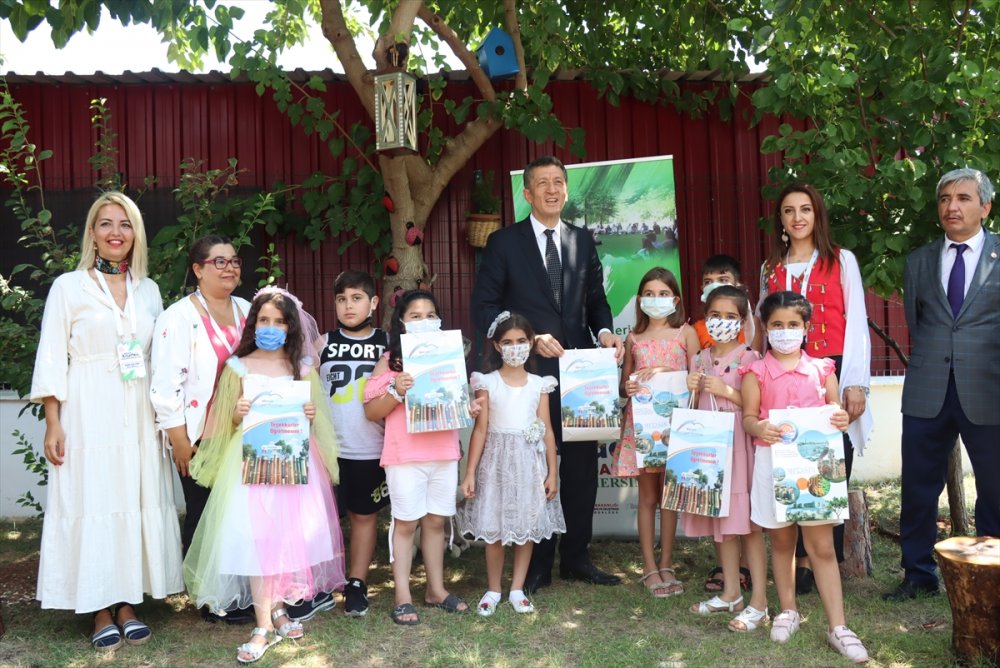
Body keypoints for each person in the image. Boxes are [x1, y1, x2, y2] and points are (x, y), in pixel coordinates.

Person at [30, 192, 183, 651]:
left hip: (137, 412)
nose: (115, 232)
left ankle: (127, 602)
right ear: (92, 234)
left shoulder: (149, 289)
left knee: (132, 497)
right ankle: (99, 606)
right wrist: (53, 422)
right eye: (105, 224)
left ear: (135, 234)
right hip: (87, 408)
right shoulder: (68, 287)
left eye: (125, 223)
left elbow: (163, 356)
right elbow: (52, 358)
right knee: (93, 498)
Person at [471, 155, 624, 596]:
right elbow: (483, 307)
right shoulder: (504, 243)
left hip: (580, 377)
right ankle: (536, 562)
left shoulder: (581, 240)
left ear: (566, 189)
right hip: (526, 374)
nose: (553, 190)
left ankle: (577, 556)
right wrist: (528, 338)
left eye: (559, 182)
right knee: (533, 463)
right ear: (527, 193)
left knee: (580, 468)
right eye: (543, 183)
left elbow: (596, 301)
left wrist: (608, 332)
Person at [182, 287, 345, 664]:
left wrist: (307, 414)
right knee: (258, 541)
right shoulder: (239, 367)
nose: (271, 327)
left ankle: (278, 610)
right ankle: (262, 625)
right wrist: (238, 413)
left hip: (292, 462)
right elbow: (223, 420)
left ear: (290, 326)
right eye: (264, 320)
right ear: (254, 324)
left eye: (279, 321)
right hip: (250, 466)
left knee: (287, 538)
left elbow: (315, 415)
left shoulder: (301, 367)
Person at [884, 168, 1000, 601]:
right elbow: (920, 324)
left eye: (964, 198)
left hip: (989, 390)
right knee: (917, 488)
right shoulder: (918, 260)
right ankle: (918, 575)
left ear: (985, 206)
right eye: (945, 199)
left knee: (995, 488)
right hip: (928, 389)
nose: (952, 206)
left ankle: (992, 572)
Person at [741, 291, 869, 664]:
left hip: (815, 470)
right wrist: (758, 426)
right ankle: (787, 610)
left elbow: (835, 412)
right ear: (765, 327)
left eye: (793, 325)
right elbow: (749, 416)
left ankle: (838, 627)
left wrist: (844, 417)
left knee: (822, 548)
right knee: (781, 544)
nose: (784, 332)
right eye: (777, 325)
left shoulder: (823, 370)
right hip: (773, 465)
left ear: (807, 328)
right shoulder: (756, 372)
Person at [758, 183, 873, 594]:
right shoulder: (770, 268)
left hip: (831, 372)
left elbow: (857, 323)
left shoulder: (841, 260)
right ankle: (797, 561)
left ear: (817, 215)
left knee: (828, 465)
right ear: (781, 221)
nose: (797, 217)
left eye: (805, 209)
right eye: (789, 211)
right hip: (781, 372)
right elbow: (761, 326)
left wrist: (856, 382)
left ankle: (825, 557)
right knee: (789, 457)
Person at [150, 234, 255, 624]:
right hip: (198, 436)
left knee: (237, 514)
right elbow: (165, 385)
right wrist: (179, 441)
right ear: (197, 269)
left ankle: (240, 591)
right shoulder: (178, 318)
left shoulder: (248, 310)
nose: (230, 268)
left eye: (234, 261)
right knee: (203, 513)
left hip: (244, 429)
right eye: (219, 262)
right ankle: (210, 596)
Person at [363, 289, 483, 625]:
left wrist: (468, 407)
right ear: (401, 322)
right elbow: (372, 411)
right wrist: (396, 390)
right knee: (405, 524)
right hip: (404, 456)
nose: (425, 321)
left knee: (435, 522)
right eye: (415, 316)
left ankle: (436, 590)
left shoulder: (449, 357)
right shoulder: (390, 361)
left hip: (443, 452)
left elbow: (454, 401)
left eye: (431, 315)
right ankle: (402, 595)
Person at [460, 311, 566, 617]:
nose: (515, 347)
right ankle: (494, 588)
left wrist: (553, 472)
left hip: (529, 466)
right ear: (496, 346)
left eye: (521, 341)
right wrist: (470, 473)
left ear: (531, 343)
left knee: (526, 527)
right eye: (508, 342)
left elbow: (545, 429)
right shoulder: (486, 382)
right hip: (496, 463)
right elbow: (480, 429)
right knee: (494, 529)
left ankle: (517, 588)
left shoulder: (540, 384)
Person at [683, 285, 768, 632]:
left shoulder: (751, 359)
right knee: (724, 526)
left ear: (743, 320)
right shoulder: (698, 359)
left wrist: (726, 390)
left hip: (739, 450)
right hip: (710, 453)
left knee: (747, 526)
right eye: (715, 316)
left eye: (730, 316)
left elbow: (756, 407)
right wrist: (692, 385)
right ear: (705, 319)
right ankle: (731, 593)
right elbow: (691, 405)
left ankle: (759, 601)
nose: (722, 322)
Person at [611, 267, 699, 597]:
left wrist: (663, 369)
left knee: (668, 498)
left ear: (675, 299)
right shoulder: (633, 338)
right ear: (640, 299)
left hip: (676, 427)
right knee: (647, 497)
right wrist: (629, 387)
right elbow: (625, 383)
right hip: (645, 428)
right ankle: (648, 565)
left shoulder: (685, 334)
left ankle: (667, 562)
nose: (656, 299)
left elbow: (696, 375)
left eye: (663, 294)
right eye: (649, 293)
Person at [316, 270, 388, 617]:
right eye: (342, 299)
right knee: (323, 518)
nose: (348, 305)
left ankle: (357, 583)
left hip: (370, 446)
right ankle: (319, 582)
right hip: (329, 448)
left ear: (373, 302)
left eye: (357, 298)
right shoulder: (322, 342)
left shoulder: (388, 343)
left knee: (363, 515)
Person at [694, 254, 762, 353]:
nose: (714, 286)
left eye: (723, 280)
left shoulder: (752, 322)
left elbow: (756, 360)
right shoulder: (696, 329)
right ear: (702, 288)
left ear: (737, 284)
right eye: (708, 281)